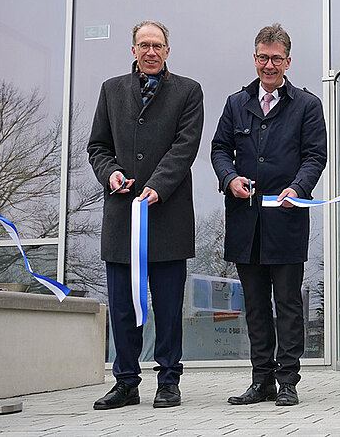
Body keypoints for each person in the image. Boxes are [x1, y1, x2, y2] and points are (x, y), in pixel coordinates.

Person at [87, 20, 204, 410]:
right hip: (122, 219)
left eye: (157, 45)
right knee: (122, 306)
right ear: (133, 50)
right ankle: (125, 382)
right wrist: (111, 174)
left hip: (167, 217)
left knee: (168, 308)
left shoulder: (188, 91)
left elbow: (185, 147)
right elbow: (97, 147)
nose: (150, 51)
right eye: (143, 45)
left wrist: (158, 185)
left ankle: (169, 380)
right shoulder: (111, 90)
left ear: (168, 50)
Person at [211, 23, 327, 407]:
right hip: (245, 222)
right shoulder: (235, 103)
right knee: (256, 306)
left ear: (288, 61)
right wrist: (229, 179)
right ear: (255, 58)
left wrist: (298, 187)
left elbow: (316, 155)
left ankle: (288, 380)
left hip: (287, 219)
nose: (269, 65)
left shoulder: (308, 105)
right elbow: (218, 150)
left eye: (277, 59)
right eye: (263, 57)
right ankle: (261, 380)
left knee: (289, 305)